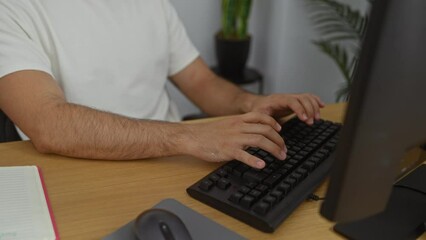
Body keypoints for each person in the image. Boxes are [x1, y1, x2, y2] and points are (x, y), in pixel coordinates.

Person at [0, 0, 324, 169]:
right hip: (76, 173)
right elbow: (48, 124)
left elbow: (200, 81)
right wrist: (188, 137)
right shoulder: (11, 9)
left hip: (170, 162)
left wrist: (252, 104)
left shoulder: (151, 3)